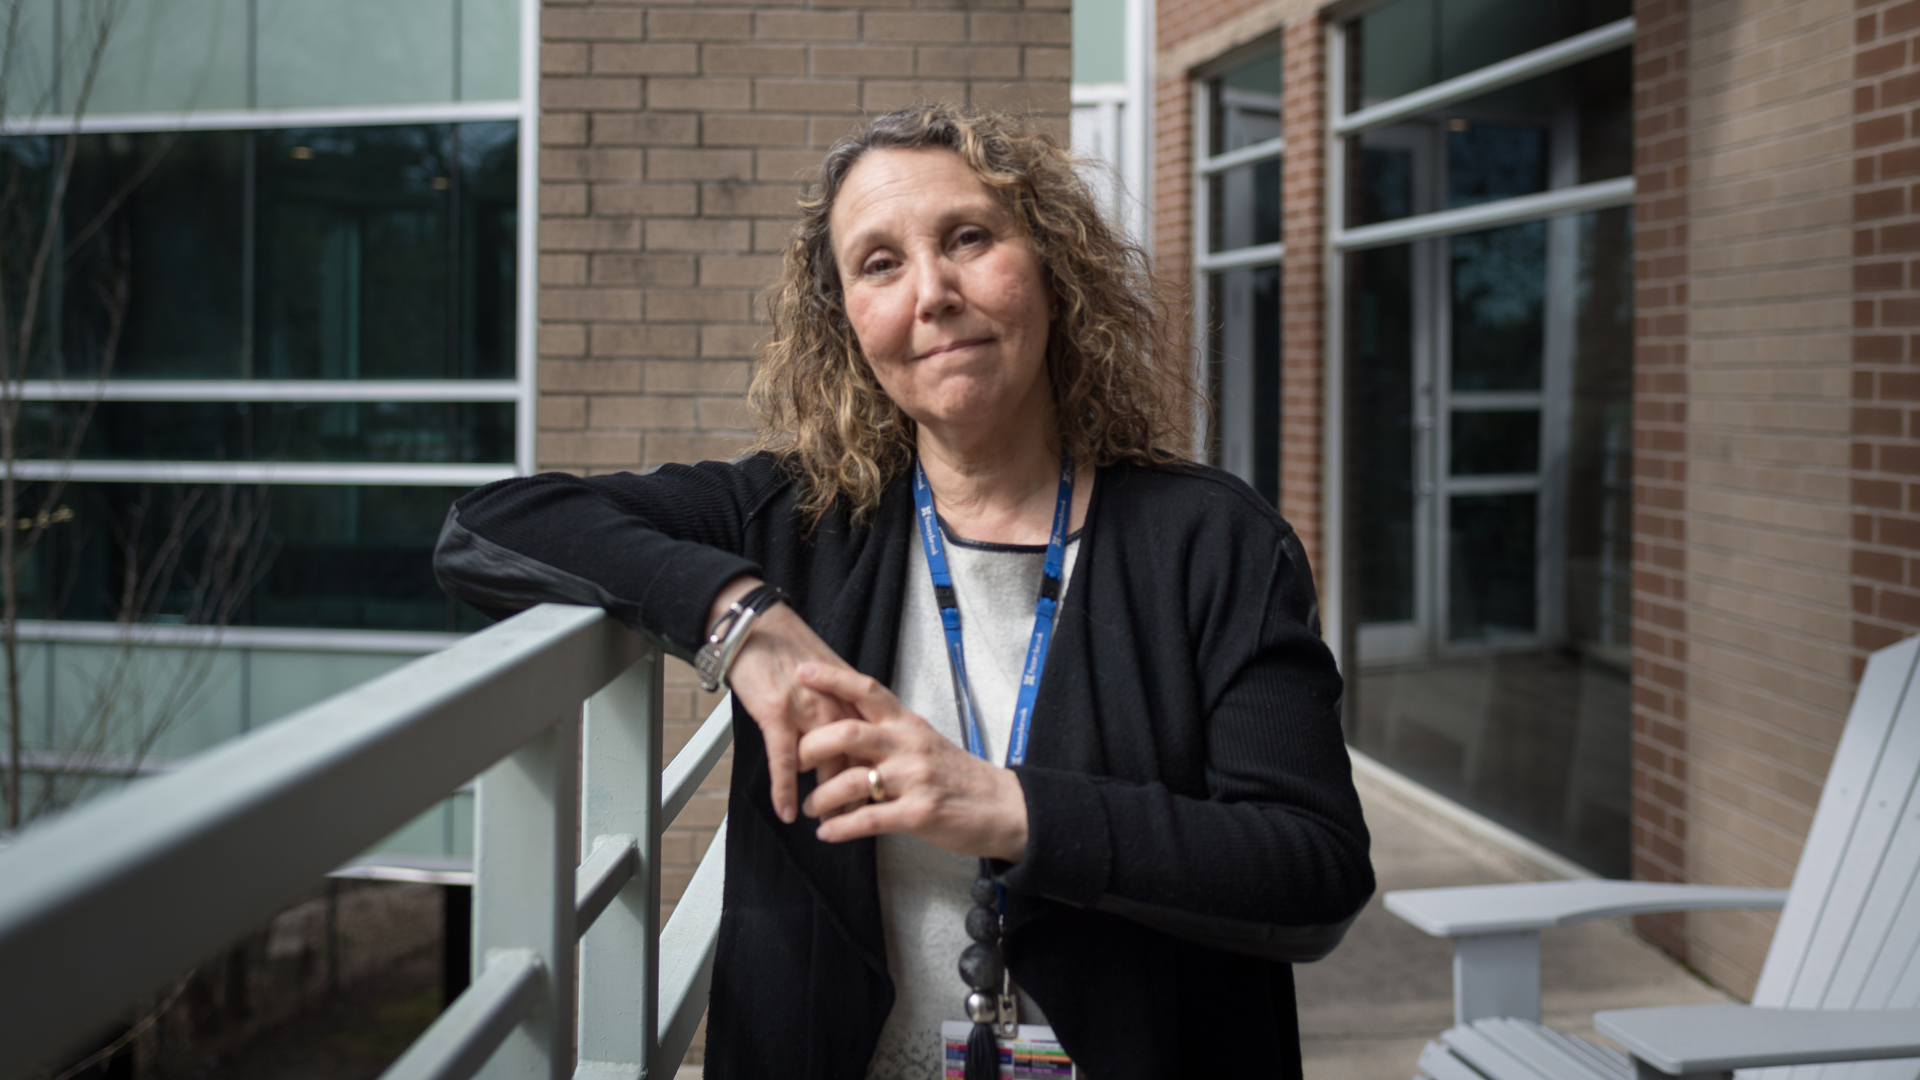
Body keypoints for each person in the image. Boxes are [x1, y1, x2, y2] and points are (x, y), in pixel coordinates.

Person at [434, 103, 1373, 1080]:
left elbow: (1312, 874)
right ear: (846, 320)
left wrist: (1005, 807)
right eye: (879, 264)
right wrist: (739, 619)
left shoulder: (1213, 540)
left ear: (1052, 267)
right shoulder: (797, 517)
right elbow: (486, 527)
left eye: (968, 238)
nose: (933, 293)